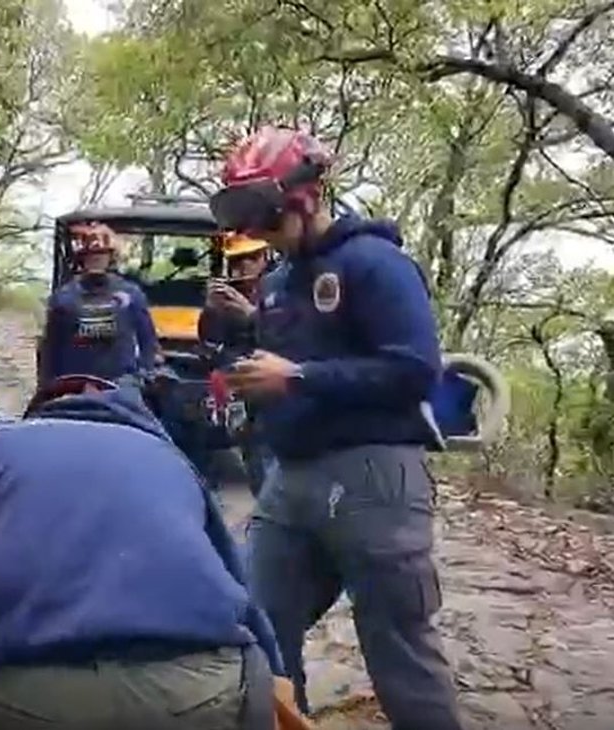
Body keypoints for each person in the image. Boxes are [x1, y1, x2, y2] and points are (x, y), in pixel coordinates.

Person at [213, 125, 463, 730]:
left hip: (374, 476)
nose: (255, 230)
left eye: (262, 211)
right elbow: (296, 357)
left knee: (398, 646)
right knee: (255, 626)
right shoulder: (276, 283)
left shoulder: (375, 263)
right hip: (291, 478)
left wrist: (297, 378)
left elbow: (413, 368)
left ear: (306, 195)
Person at [0, 374, 285, 730]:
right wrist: (278, 678)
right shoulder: (168, 457)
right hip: (194, 689)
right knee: (250, 667)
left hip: (32, 695)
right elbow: (243, 594)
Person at [199, 233, 276, 497]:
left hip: (276, 389)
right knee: (254, 461)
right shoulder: (227, 297)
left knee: (271, 465)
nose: (245, 266)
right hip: (242, 394)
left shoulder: (281, 289)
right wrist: (211, 310)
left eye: (251, 258)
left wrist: (252, 315)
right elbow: (211, 343)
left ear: (265, 257)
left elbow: (288, 338)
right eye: (239, 260)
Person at [37, 222, 159, 389]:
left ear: (111, 257)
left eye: (101, 255)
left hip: (120, 385)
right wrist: (46, 383)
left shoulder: (131, 294)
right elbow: (49, 346)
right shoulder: (63, 297)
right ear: (82, 259)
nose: (96, 259)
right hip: (73, 384)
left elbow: (148, 340)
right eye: (91, 255)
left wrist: (143, 375)